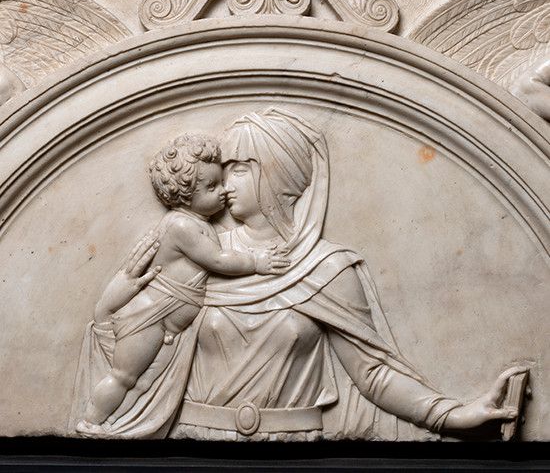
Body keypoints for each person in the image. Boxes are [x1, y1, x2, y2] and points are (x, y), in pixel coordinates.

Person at [70, 109, 526, 440]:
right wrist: (110, 302)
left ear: (278, 177)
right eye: (220, 175)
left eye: (239, 171)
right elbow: (130, 334)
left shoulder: (327, 269)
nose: (225, 186)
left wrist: (452, 415)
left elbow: (373, 375)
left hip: (298, 453)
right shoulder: (204, 253)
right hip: (193, 448)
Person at [74, 133, 288, 436]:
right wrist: (256, 262)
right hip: (149, 319)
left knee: (142, 382)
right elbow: (218, 261)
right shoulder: (181, 225)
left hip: (167, 327)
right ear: (185, 195)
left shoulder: (198, 222)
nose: (224, 191)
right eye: (211, 187)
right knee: (124, 376)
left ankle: (119, 423)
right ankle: (90, 421)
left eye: (220, 182)